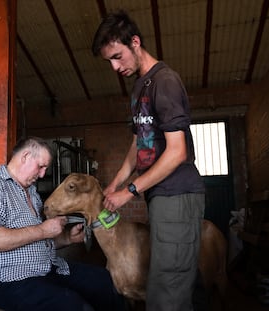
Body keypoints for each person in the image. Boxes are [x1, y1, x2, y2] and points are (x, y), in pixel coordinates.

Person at [92, 10, 206, 311]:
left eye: (118, 56)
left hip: (178, 194)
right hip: (161, 198)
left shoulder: (164, 82)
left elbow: (177, 151)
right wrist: (115, 182)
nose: (115, 66)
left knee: (168, 293)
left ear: (135, 42)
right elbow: (138, 141)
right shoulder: (139, 87)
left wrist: (128, 193)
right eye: (110, 62)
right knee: (161, 287)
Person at [0, 136, 126, 311]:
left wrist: (66, 239)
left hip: (49, 269)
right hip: (8, 280)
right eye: (41, 166)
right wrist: (43, 230)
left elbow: (35, 241)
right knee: (72, 304)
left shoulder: (32, 193)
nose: (42, 174)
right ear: (25, 156)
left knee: (104, 281)